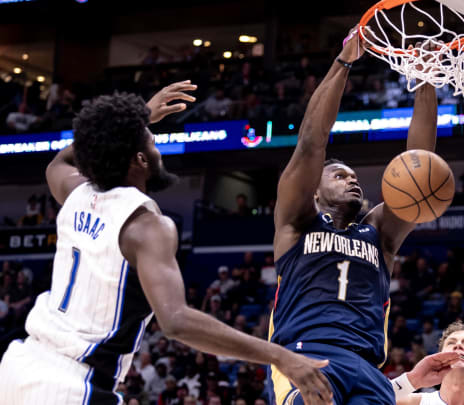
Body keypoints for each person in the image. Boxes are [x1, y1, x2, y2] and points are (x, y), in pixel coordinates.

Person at [0, 82, 332, 405]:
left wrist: (136, 118)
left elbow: (59, 161)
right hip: (73, 386)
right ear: (140, 160)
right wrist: (279, 356)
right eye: (153, 143)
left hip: (20, 366)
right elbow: (175, 321)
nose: (159, 150)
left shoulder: (74, 192)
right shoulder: (146, 225)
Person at [268, 28, 441, 405]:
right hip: (305, 355)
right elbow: (313, 139)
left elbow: (420, 167)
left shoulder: (379, 232)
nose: (352, 181)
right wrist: (343, 62)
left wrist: (425, 81)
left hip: (367, 368)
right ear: (315, 189)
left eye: (355, 176)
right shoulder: (298, 222)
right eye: (340, 175)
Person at [392, 321, 464, 405]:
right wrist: (413, 380)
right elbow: (373, 397)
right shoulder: (414, 402)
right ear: (438, 358)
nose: (458, 345)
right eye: (451, 343)